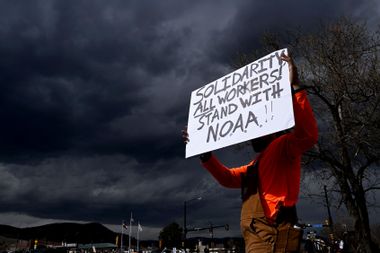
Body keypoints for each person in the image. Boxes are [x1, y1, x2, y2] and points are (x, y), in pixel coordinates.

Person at [182, 53, 318, 253]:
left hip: (273, 235)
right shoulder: (254, 165)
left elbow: (308, 134)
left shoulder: (284, 145)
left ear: (272, 125)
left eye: (257, 127)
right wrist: (205, 154)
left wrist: (295, 87)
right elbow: (227, 178)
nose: (251, 134)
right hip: (255, 237)